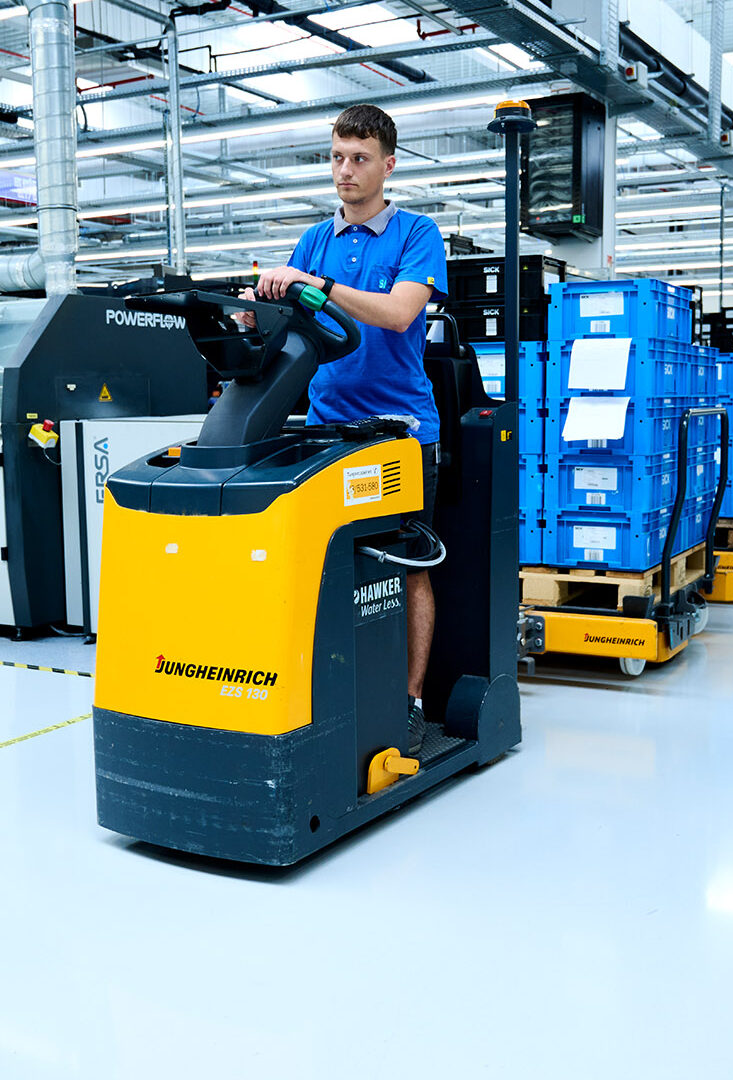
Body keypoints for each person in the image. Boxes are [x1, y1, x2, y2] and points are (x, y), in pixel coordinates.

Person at [248, 103, 447, 758]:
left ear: (387, 165)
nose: (345, 171)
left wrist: (316, 283)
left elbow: (397, 314)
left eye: (359, 159)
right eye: (337, 157)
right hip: (328, 432)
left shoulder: (417, 234)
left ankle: (410, 700)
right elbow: (294, 311)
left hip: (401, 433)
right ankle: (336, 691)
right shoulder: (315, 239)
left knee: (408, 566)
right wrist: (255, 308)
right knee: (331, 565)